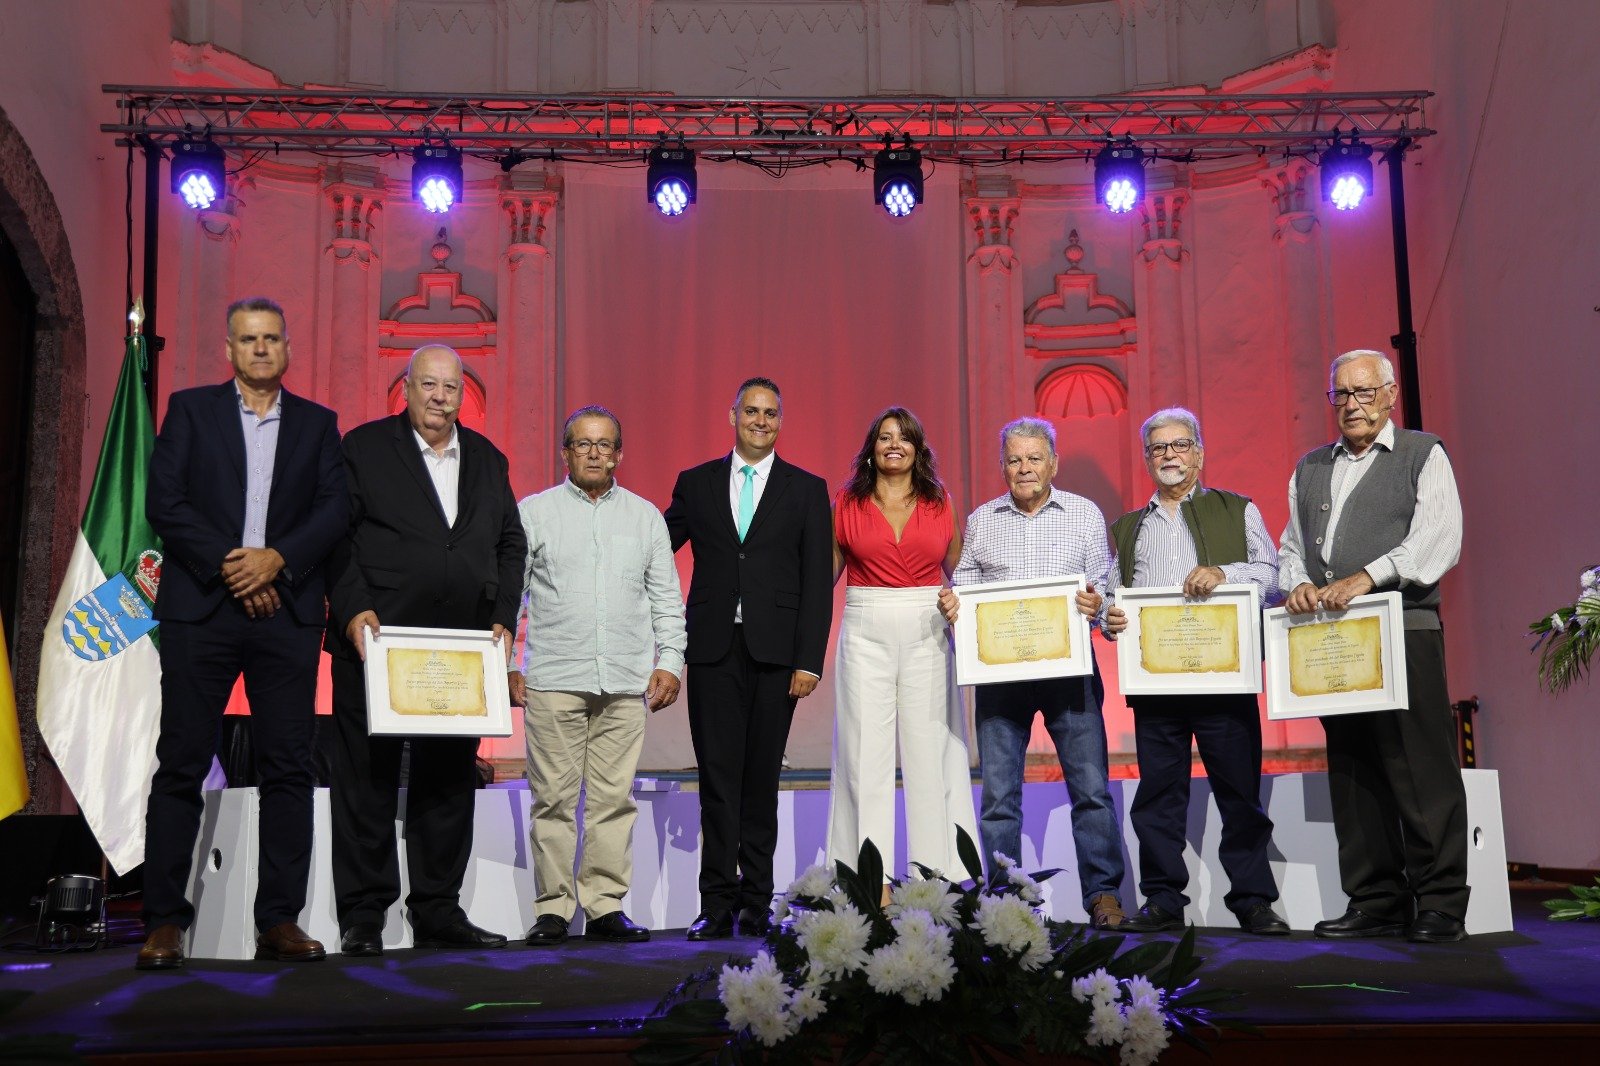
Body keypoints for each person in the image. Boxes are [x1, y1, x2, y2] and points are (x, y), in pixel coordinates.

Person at [138, 297, 347, 970]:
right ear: (228, 349)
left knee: (289, 765)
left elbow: (334, 509)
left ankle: (278, 920)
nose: (260, 350)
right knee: (181, 763)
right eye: (248, 340)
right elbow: (164, 502)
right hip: (203, 607)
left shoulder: (318, 425)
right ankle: (165, 921)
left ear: (288, 349)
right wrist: (238, 568)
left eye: (271, 339)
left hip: (283, 613)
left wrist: (276, 563)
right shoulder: (190, 410)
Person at [325, 344, 526, 956]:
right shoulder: (361, 449)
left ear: (464, 393)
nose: (440, 397)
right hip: (377, 644)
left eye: (450, 386)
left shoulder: (490, 460)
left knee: (447, 782)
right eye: (428, 385)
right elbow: (335, 538)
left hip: (460, 650)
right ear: (406, 389)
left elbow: (511, 544)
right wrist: (355, 608)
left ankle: (438, 911)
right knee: (367, 782)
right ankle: (364, 916)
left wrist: (502, 621)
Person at [1279, 349, 1470, 944]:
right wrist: (1298, 584)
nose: (1352, 405)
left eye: (1363, 393)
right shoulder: (1310, 466)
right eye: (1341, 395)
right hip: (1333, 640)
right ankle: (1375, 898)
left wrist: (1368, 574)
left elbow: (1440, 539)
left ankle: (1439, 902)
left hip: (1403, 630)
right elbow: (1290, 545)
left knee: (1421, 769)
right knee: (1354, 769)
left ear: (1390, 395)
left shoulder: (1422, 452)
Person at [1102, 408, 1289, 936]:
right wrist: (1109, 618)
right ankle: (1163, 900)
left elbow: (1275, 577)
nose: (1169, 455)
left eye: (1179, 445)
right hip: (1156, 685)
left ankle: (1252, 901)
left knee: (1239, 794)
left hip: (1222, 679)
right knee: (1157, 798)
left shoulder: (1239, 510)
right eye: (1158, 448)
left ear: (1199, 453)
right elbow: (1112, 598)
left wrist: (1223, 573)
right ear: (1146, 459)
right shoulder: (1127, 528)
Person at [936, 417, 1127, 930]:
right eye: (1014, 459)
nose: (1024, 468)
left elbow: (1107, 589)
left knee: (1090, 789)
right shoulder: (982, 521)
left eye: (1034, 458)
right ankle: (1004, 900)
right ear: (1002, 466)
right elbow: (966, 590)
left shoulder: (1085, 516)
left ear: (1053, 464)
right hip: (1001, 679)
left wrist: (1097, 603)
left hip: (1071, 676)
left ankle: (1103, 896)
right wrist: (957, 610)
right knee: (1000, 797)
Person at [664, 377, 833, 940]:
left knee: (760, 780)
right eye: (751, 411)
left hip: (777, 655)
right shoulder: (696, 482)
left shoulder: (807, 488)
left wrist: (809, 659)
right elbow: (656, 545)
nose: (761, 420)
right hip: (712, 649)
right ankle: (715, 903)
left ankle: (756, 901)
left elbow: (816, 583)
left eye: (771, 413)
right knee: (716, 778)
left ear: (781, 421)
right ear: (732, 414)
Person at [511, 406, 686, 946]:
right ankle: (553, 910)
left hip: (625, 680)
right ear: (565, 452)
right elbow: (510, 593)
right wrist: (512, 663)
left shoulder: (644, 517)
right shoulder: (534, 513)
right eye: (582, 444)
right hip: (554, 677)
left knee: (614, 799)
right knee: (554, 801)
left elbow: (666, 599)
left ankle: (605, 905)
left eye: (604, 444)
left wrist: (669, 661)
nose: (593, 453)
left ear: (619, 454)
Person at [825, 407, 977, 880]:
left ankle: (939, 879)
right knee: (862, 754)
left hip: (927, 627)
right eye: (885, 437)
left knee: (931, 753)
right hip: (865, 625)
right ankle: (864, 882)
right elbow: (825, 577)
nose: (895, 444)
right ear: (871, 448)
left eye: (905, 437)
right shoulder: (846, 502)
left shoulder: (941, 502)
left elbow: (962, 573)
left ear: (918, 449)